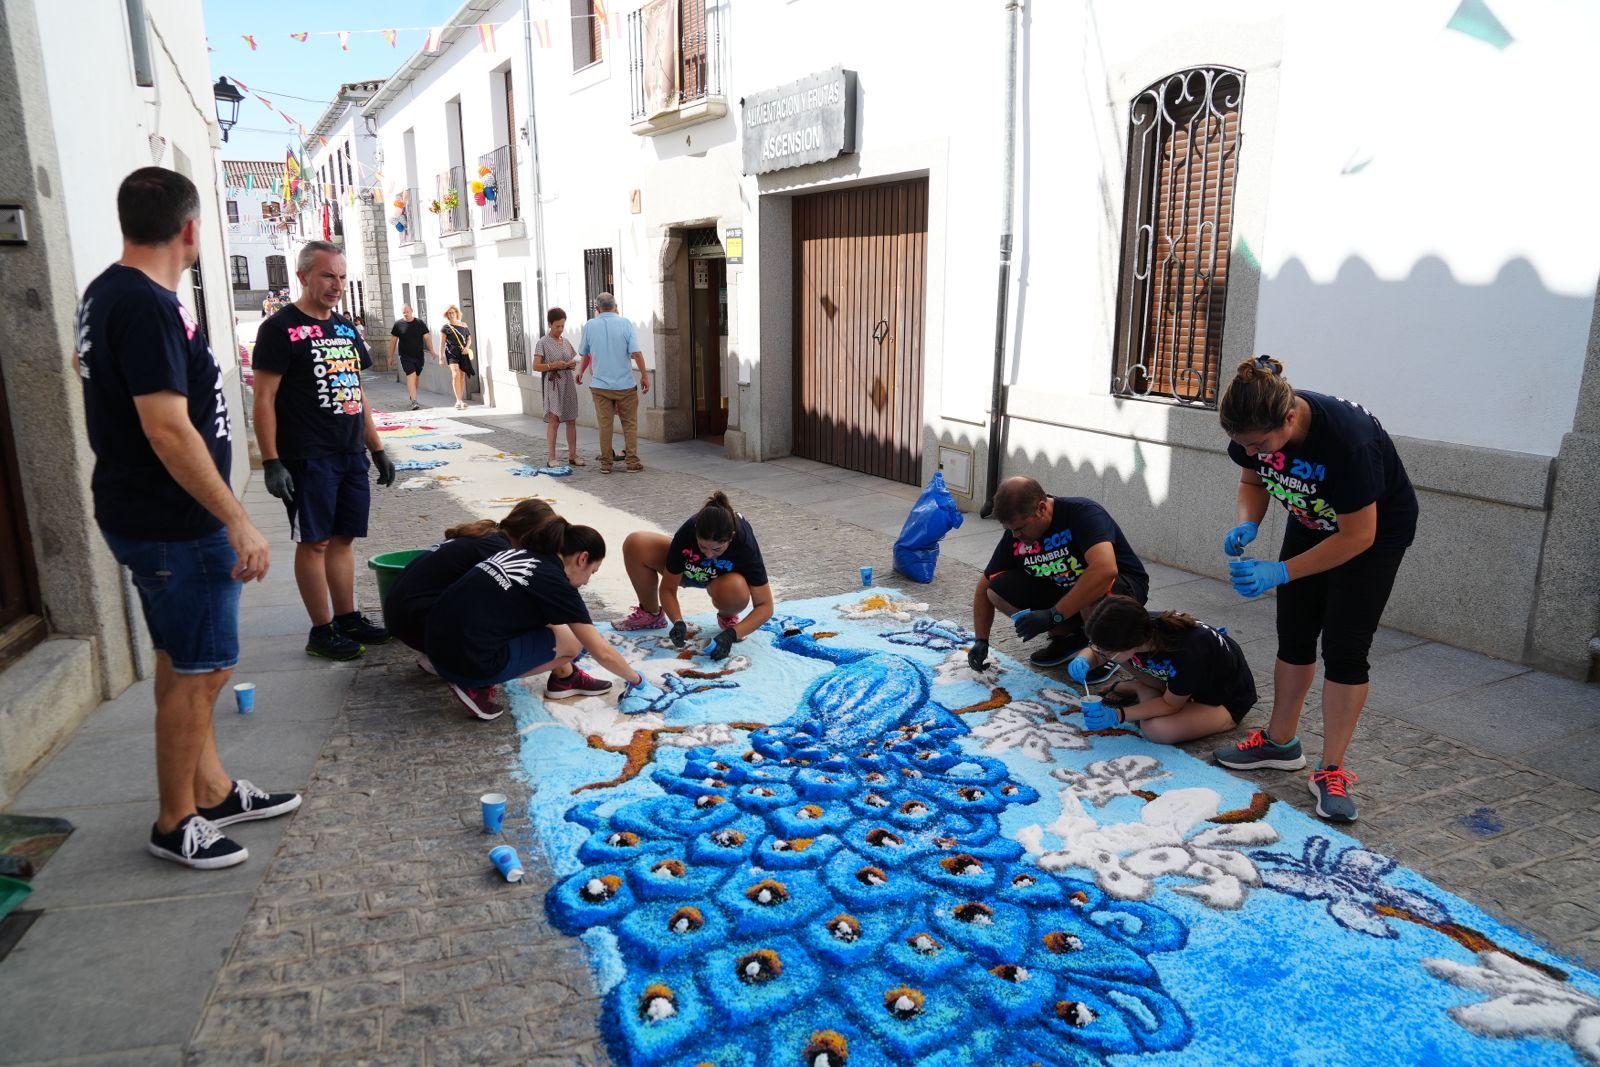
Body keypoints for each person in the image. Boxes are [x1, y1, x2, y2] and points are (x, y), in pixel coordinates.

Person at [77, 166, 299, 870]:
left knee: (185, 660)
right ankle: (176, 820)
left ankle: (212, 788)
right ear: (192, 229)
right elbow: (168, 429)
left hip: (152, 512)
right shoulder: (141, 302)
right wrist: (237, 517)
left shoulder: (113, 293)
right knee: (204, 669)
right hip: (175, 521)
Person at [1211, 356, 1418, 823]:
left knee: (1345, 648)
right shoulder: (1252, 431)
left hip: (1372, 536)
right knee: (1295, 633)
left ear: (1289, 418)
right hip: (1311, 518)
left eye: (1262, 444)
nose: (1257, 453)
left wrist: (1281, 572)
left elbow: (1357, 536)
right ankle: (1280, 742)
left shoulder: (1348, 442)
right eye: (1246, 445)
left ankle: (1332, 769)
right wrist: (1248, 522)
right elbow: (1252, 478)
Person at [253, 239, 397, 662]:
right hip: (306, 454)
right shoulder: (279, 329)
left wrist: (376, 448)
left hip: (349, 451)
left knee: (343, 538)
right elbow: (263, 399)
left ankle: (347, 617)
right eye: (327, 275)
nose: (336, 284)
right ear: (303, 277)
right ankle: (321, 630)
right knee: (313, 542)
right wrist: (271, 461)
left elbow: (357, 393)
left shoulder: (346, 329)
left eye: (341, 276)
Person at [424, 517, 662, 720]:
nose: (588, 580)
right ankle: (478, 683)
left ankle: (565, 678)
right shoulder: (555, 582)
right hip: (464, 663)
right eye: (592, 571)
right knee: (574, 643)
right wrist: (638, 681)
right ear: (582, 558)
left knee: (555, 623)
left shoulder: (521, 553)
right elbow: (601, 651)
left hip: (434, 647)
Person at [969, 476, 1149, 670]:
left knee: (1093, 587)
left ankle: (1104, 652)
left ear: (1041, 508)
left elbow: (1106, 570)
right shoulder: (1016, 534)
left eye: (1020, 528)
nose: (1016, 536)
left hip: (1121, 589)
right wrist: (981, 640)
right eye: (1010, 530)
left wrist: (1054, 614)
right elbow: (984, 584)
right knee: (995, 590)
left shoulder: (1083, 513)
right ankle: (1071, 636)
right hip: (1067, 591)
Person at [383, 499, 554, 669]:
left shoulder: (488, 535)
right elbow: (528, 598)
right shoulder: (499, 549)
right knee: (516, 614)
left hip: (400, 615)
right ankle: (453, 662)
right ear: (531, 536)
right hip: (413, 622)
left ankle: (437, 655)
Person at [1064, 596, 1257, 744]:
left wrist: (1119, 715)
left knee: (1155, 729)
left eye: (1103, 650)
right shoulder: (1139, 628)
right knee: (1120, 660)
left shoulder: (1189, 651)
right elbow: (1099, 650)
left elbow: (1171, 705)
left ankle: (1139, 688)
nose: (1097, 652)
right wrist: (1084, 659)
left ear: (1132, 644)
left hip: (1223, 702)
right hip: (1176, 686)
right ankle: (1140, 687)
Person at [613, 492, 775, 660]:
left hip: (723, 581)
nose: (709, 555)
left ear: (731, 537)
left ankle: (727, 616)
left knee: (736, 588)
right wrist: (677, 622)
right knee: (637, 543)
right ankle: (651, 614)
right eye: (703, 547)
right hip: (689, 570)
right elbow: (668, 588)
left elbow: (765, 605)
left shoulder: (745, 543)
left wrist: (731, 635)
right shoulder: (687, 532)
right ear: (696, 532)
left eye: (717, 549)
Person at [575, 292, 649, 474]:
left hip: (600, 386)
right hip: (625, 384)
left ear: (597, 309)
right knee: (629, 424)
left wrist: (580, 372)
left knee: (605, 425)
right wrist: (645, 376)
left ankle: (606, 464)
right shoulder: (625, 324)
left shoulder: (590, 326)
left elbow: (585, 353)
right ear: (615, 306)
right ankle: (632, 462)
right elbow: (637, 353)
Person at [532, 306, 584, 467]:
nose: (560, 329)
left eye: (562, 326)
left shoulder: (566, 342)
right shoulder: (542, 343)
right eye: (557, 326)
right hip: (554, 384)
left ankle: (573, 455)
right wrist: (553, 365)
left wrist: (571, 365)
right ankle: (551, 457)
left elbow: (571, 359)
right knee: (554, 420)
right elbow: (536, 366)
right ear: (550, 324)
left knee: (571, 419)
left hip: (567, 382)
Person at [388, 304, 434, 411]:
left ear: (412, 311)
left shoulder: (419, 323)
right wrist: (391, 356)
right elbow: (393, 341)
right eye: (404, 312)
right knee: (411, 375)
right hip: (405, 356)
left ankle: (412, 394)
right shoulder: (398, 324)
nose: (406, 313)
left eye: (407, 311)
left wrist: (431, 350)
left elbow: (427, 337)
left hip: (419, 356)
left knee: (416, 378)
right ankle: (414, 401)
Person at [440, 305, 475, 411]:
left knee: (461, 375)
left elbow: (469, 339)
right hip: (451, 353)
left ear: (457, 313)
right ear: (447, 315)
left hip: (463, 353)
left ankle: (461, 399)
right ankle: (458, 400)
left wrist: (467, 347)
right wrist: (441, 358)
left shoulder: (464, 325)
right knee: (455, 374)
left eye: (453, 312)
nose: (451, 315)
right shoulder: (445, 328)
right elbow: (442, 344)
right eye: (449, 313)